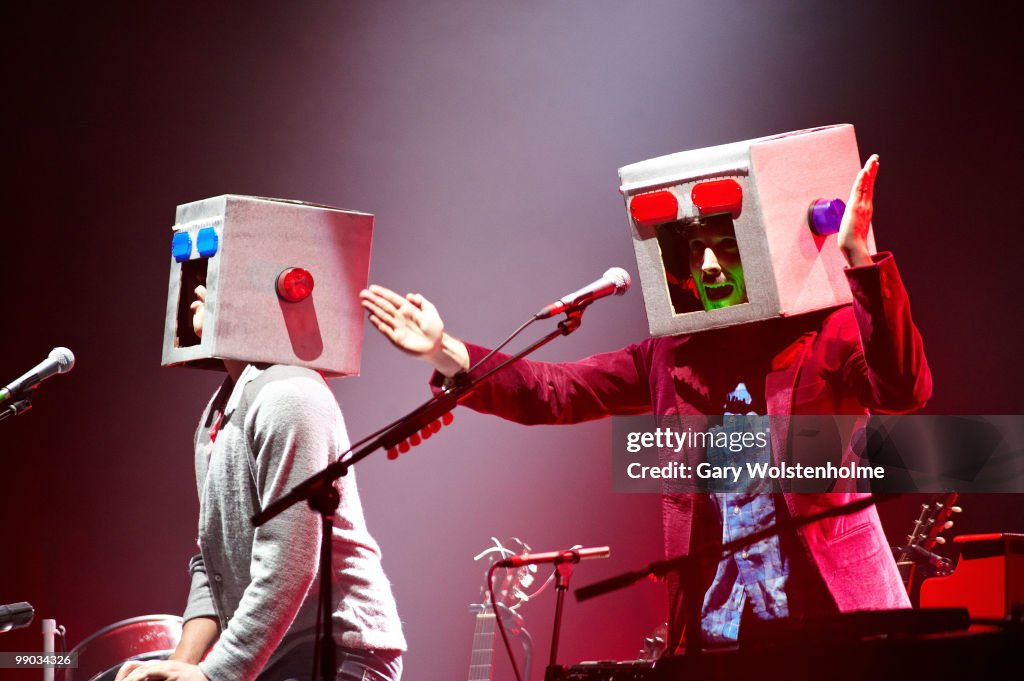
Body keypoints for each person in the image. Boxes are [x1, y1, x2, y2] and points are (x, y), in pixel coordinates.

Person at [359, 142, 931, 652]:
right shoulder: (670, 357)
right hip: (721, 630)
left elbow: (904, 390)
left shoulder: (825, 334)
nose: (708, 263)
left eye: (724, 246)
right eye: (696, 248)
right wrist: (446, 350)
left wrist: (859, 261)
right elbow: (553, 392)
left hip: (835, 619)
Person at [119, 196, 405, 680]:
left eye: (215, 278)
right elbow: (213, 564)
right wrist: (180, 665)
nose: (198, 292)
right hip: (279, 653)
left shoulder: (289, 395)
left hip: (338, 654)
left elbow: (289, 564)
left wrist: (214, 676)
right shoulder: (220, 409)